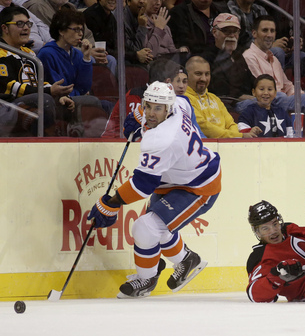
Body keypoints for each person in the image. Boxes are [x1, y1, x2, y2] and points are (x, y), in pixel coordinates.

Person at [88, 81, 222, 298]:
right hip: (174, 177)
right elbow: (185, 102)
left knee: (145, 228)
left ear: (167, 109)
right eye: (147, 106)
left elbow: (142, 185)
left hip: (198, 185)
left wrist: (109, 204)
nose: (150, 112)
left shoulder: (162, 140)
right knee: (155, 229)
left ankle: (147, 279)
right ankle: (187, 260)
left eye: (157, 109)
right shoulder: (176, 103)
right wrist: (142, 123)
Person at [0, 6, 74, 136]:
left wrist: (60, 94)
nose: (26, 28)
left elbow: (39, 82)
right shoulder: (1, 53)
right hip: (8, 107)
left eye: (28, 23)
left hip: (34, 98)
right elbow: (7, 87)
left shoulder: (29, 53)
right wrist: (48, 92)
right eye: (19, 24)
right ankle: (48, 144)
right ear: (4, 28)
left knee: (88, 103)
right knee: (44, 99)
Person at [38, 8, 103, 136]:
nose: (80, 34)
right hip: (58, 101)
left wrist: (86, 58)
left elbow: (84, 87)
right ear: (61, 31)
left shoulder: (77, 53)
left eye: (81, 30)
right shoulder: (47, 54)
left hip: (74, 97)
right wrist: (80, 94)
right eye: (75, 29)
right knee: (93, 102)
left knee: (106, 104)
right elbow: (59, 88)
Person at [240, 15, 305, 122]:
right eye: (265, 30)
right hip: (265, 100)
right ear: (254, 33)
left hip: (281, 99)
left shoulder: (274, 59)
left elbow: (288, 85)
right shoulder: (249, 56)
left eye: (272, 31)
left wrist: (299, 95)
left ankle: (299, 135)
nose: (269, 35)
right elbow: (261, 87)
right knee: (281, 96)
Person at [101, 57, 203, 138]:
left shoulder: (179, 102)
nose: (180, 86)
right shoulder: (135, 97)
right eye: (176, 81)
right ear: (167, 82)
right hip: (114, 147)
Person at [23, 0, 115, 73]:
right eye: (76, 30)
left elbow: (87, 33)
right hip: (62, 51)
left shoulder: (70, 7)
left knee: (110, 59)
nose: (80, 33)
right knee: (90, 59)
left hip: (79, 50)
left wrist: (93, 49)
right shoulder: (38, 6)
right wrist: (86, 53)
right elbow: (57, 40)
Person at [185, 55, 261, 138]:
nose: (203, 78)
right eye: (198, 74)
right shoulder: (184, 99)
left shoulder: (214, 98)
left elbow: (231, 124)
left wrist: (233, 138)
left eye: (207, 74)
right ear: (186, 75)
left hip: (228, 143)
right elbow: (204, 128)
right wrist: (237, 136)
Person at [200, 12, 254, 101]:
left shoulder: (238, 55)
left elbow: (252, 80)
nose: (232, 35)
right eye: (226, 31)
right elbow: (220, 91)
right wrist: (245, 98)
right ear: (214, 32)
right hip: (229, 104)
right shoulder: (207, 58)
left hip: (248, 100)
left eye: (235, 31)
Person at [124, 0, 153, 66]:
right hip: (125, 62)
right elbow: (135, 49)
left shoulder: (142, 17)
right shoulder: (122, 20)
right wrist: (142, 27)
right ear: (128, 2)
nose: (141, 1)